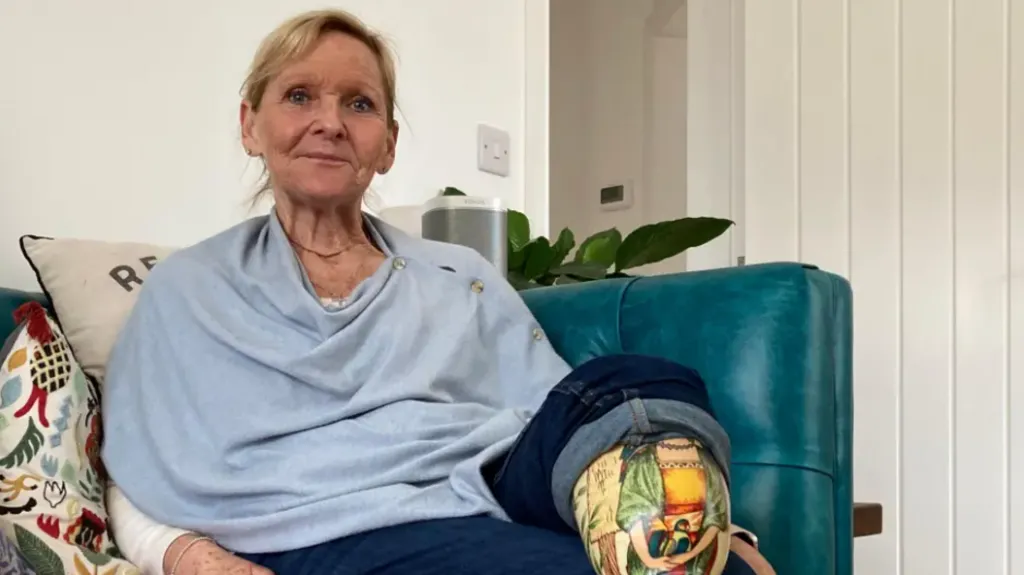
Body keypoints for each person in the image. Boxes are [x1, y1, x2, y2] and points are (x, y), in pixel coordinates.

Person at [100, 9, 776, 575]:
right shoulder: (190, 288)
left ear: (387, 144)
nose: (330, 122)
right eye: (300, 95)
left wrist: (727, 524)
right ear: (251, 124)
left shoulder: (458, 272)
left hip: (492, 482)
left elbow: (549, 412)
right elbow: (140, 467)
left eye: (358, 104)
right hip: (334, 519)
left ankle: (689, 530)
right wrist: (185, 555)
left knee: (628, 383)